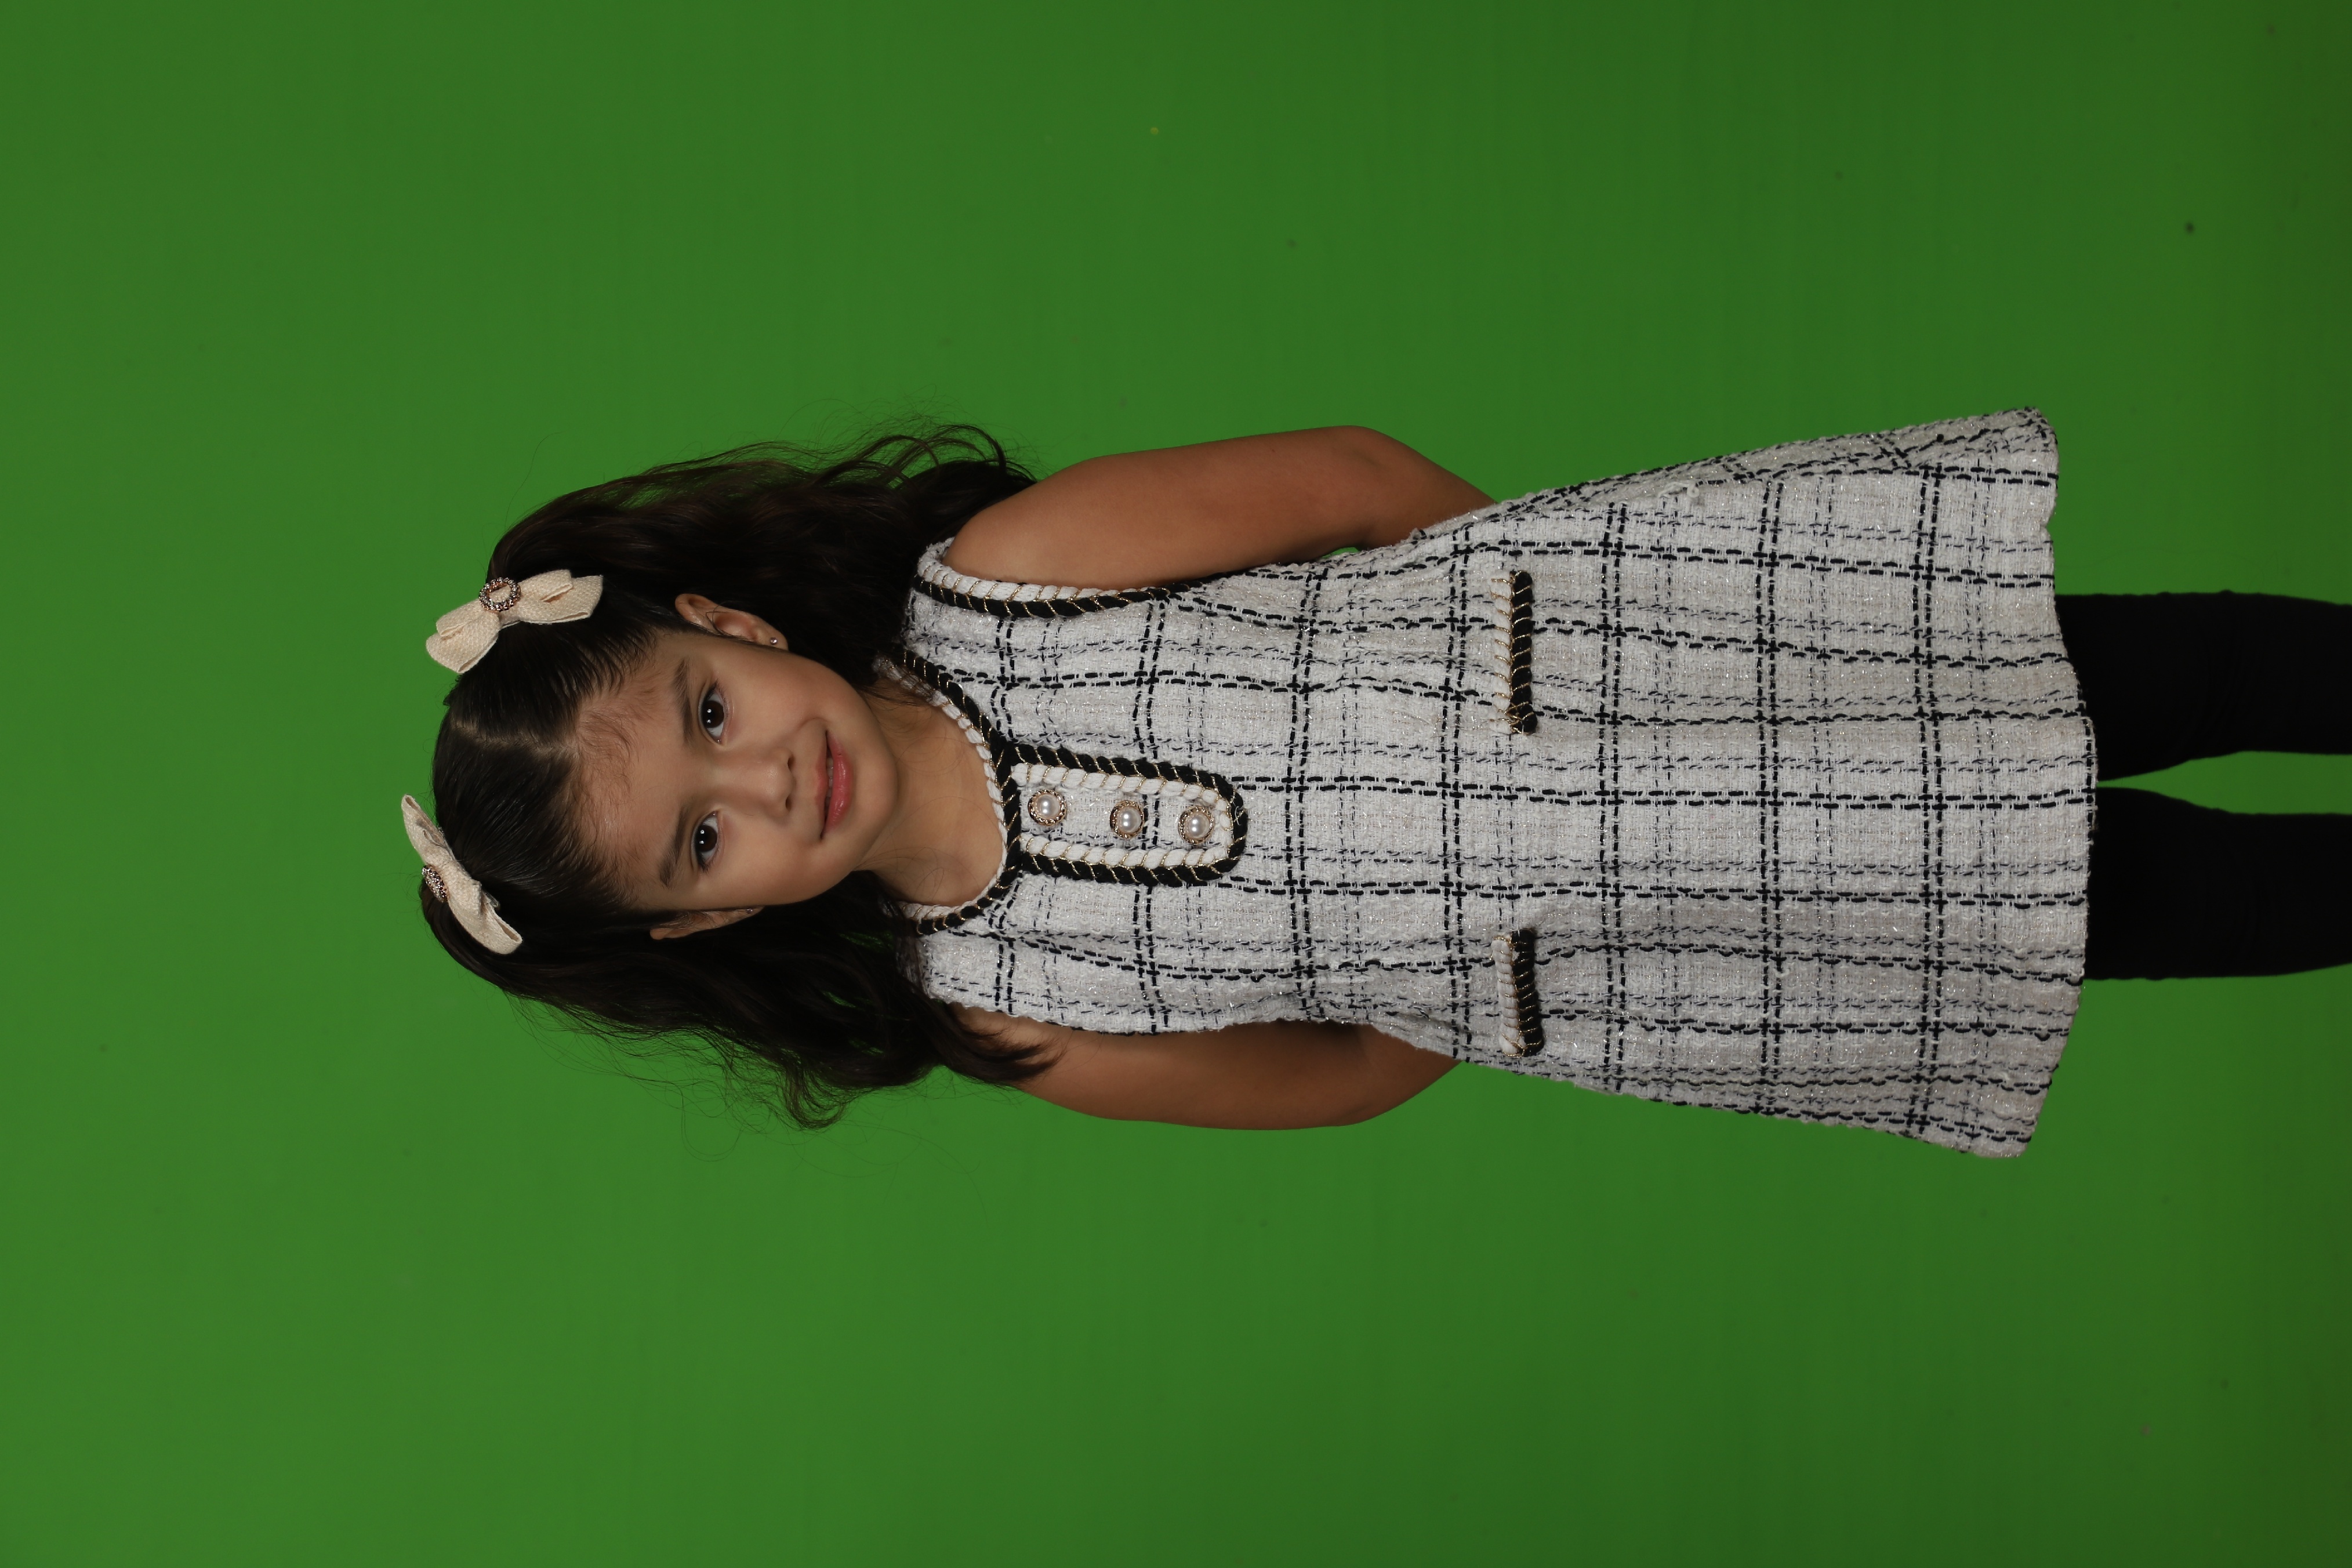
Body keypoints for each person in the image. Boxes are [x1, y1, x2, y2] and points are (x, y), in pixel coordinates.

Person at [401, 412, 2351, 1156]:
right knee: (2156, 895)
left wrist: (1564, 626)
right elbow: (1333, 1072)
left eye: (712, 712)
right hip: (1686, 924)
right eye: (704, 838)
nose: (767, 778)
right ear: (709, 920)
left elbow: (1351, 483)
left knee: (2156, 672)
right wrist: (1492, 944)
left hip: (1691, 663)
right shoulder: (1013, 1006)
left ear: (730, 619)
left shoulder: (1008, 578)